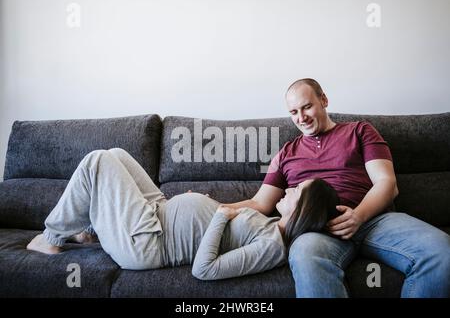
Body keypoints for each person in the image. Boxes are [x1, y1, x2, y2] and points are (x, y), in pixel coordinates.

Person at [222, 78, 450, 297]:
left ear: (324, 100)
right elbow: (259, 203)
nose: (301, 118)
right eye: (293, 112)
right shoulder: (285, 153)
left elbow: (387, 184)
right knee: (305, 254)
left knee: (441, 251)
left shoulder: (360, 131)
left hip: (374, 219)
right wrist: (210, 205)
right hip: (318, 230)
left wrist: (358, 216)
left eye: (307, 107)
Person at [26, 148, 339, 280]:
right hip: (157, 214)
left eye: (299, 191)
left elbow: (204, 269)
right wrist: (204, 205)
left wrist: (217, 215)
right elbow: (224, 221)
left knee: (97, 160)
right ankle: (91, 229)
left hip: (148, 243)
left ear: (304, 208)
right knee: (116, 155)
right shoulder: (271, 224)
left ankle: (52, 237)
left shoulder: (272, 246)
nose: (291, 188)